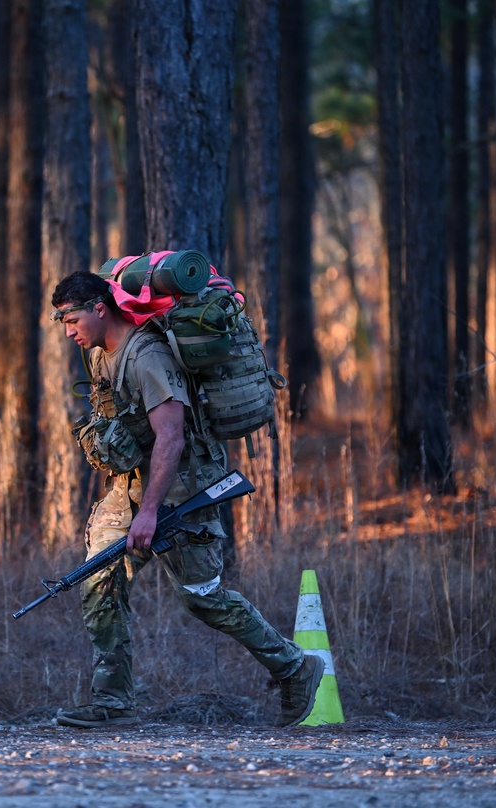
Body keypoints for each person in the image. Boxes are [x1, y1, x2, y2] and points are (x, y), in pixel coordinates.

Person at [49, 270, 323, 728]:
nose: (69, 331)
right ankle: (113, 705)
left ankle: (295, 667)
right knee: (99, 582)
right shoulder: (99, 357)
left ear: (100, 308)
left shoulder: (147, 357)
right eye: (62, 322)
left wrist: (151, 512)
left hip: (181, 491)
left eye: (72, 319)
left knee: (204, 598)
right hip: (130, 489)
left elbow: (171, 439)